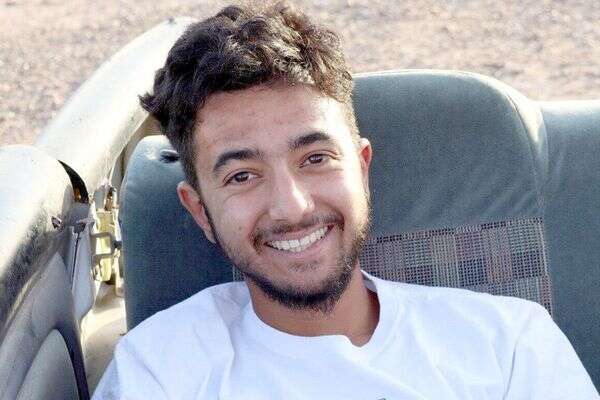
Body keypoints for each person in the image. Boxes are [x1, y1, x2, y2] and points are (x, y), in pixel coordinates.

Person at [93, 2, 599, 399]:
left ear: (361, 167)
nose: (292, 208)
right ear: (200, 210)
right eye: (243, 176)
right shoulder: (161, 372)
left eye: (315, 159)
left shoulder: (508, 347)